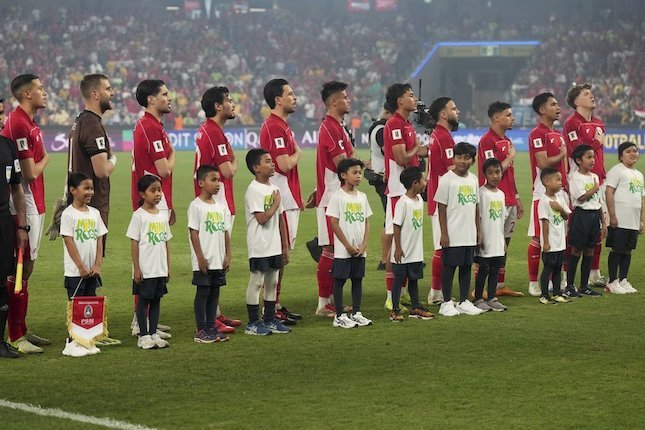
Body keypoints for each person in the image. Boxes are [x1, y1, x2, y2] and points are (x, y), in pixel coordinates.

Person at [1, 74, 50, 353]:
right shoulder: (19, 123)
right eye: (40, 88)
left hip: (36, 203)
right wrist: (45, 158)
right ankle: (15, 334)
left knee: (26, 268)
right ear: (27, 94)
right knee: (20, 267)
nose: (44, 92)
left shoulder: (28, 121)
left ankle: (22, 329)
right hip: (25, 204)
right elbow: (30, 173)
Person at [193, 86, 241, 333]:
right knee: (216, 263)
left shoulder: (208, 131)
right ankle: (211, 319)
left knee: (216, 263)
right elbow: (229, 171)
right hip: (216, 206)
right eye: (229, 101)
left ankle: (216, 314)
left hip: (212, 205)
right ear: (218, 106)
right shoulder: (215, 133)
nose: (233, 105)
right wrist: (233, 158)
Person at [130, 79, 175, 338]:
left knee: (154, 257)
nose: (169, 98)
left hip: (157, 200)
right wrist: (174, 154)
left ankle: (148, 320)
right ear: (150, 99)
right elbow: (164, 170)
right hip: (149, 202)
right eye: (164, 94)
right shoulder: (148, 126)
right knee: (145, 261)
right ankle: (140, 322)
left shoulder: (153, 125)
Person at [259, 79, 302, 323]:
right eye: (290, 94)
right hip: (280, 197)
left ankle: (274, 304)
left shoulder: (282, 126)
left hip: (287, 196)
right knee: (279, 255)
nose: (294, 98)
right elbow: (285, 165)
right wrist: (298, 151)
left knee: (281, 256)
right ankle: (269, 307)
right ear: (278, 99)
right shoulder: (274, 127)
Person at [382, 83, 427, 312]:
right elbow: (401, 158)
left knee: (410, 242)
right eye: (411, 95)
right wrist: (417, 148)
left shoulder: (407, 124)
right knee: (396, 243)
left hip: (409, 192)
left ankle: (403, 294)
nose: (415, 99)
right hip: (398, 192)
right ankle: (392, 296)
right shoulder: (394, 125)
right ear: (400, 100)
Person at [314, 81, 355, 317]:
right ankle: (322, 303)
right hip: (331, 197)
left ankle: (330, 299)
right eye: (345, 97)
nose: (348, 100)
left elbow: (349, 158)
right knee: (329, 249)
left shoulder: (338, 126)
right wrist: (354, 164)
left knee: (335, 248)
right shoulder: (329, 127)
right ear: (333, 102)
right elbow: (344, 162)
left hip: (336, 195)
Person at [476, 101, 524, 298]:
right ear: (496, 117)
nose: (512, 118)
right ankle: (479, 287)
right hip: (493, 200)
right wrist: (510, 157)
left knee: (505, 243)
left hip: (509, 199)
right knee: (488, 243)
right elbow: (491, 171)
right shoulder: (487, 141)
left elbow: (509, 174)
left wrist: (517, 197)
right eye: (508, 115)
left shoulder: (508, 140)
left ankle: (499, 285)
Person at [243, 148, 291, 336]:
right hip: (259, 244)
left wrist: (284, 246)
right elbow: (262, 218)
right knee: (256, 282)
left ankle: (270, 319)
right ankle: (253, 322)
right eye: (268, 161)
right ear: (256, 167)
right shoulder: (253, 189)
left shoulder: (274, 189)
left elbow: (279, 220)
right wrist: (275, 204)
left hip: (274, 244)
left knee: (272, 281)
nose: (273, 164)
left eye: (272, 161)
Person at [563, 83, 607, 287]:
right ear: (576, 101)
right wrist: (596, 142)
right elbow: (575, 151)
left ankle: (594, 273)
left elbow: (598, 155)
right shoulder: (572, 123)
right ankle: (566, 276)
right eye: (587, 94)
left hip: (599, 180)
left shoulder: (599, 122)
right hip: (580, 182)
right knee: (575, 233)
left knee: (596, 230)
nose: (592, 96)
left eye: (592, 93)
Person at [60, 173, 107, 357]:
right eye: (85, 188)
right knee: (76, 306)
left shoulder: (95, 213)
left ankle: (87, 341)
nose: (90, 192)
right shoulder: (68, 214)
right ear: (72, 190)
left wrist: (97, 264)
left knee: (90, 303)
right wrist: (80, 266)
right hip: (75, 272)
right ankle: (72, 342)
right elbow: (69, 242)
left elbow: (99, 239)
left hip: (92, 271)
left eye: (91, 188)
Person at [526, 93, 568, 297]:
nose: (558, 107)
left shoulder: (559, 135)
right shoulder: (537, 133)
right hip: (542, 193)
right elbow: (542, 163)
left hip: (560, 192)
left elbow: (564, 166)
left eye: (558, 104)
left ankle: (554, 280)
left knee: (559, 234)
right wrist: (562, 154)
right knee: (538, 238)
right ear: (542, 110)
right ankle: (534, 282)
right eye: (553, 104)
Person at [435, 142, 483, 317]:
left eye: (467, 158)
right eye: (459, 157)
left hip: (469, 232)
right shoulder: (447, 179)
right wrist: (444, 233)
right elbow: (441, 208)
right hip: (453, 233)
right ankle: (446, 302)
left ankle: (463, 301)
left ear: (473, 160)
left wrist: (478, 231)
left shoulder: (473, 179)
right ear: (453, 158)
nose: (462, 161)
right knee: (449, 267)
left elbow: (476, 206)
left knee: (466, 267)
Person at [326, 158, 373, 328]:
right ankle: (339, 315)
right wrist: (347, 246)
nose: (359, 176)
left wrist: (364, 245)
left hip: (360, 249)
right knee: (339, 280)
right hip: (344, 250)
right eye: (354, 172)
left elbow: (367, 221)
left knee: (357, 279)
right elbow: (334, 223)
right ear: (343, 175)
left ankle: (357, 312)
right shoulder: (338, 197)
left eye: (360, 172)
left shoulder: (362, 197)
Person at [68, 74, 117, 237]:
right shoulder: (92, 125)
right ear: (95, 94)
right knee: (90, 261)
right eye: (108, 89)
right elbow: (102, 170)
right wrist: (113, 160)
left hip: (78, 205)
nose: (113, 93)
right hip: (90, 207)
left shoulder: (79, 121)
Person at [126, 175, 172, 349]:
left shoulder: (161, 215)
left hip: (159, 268)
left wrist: (167, 266)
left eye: (159, 190)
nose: (158, 194)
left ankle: (153, 333)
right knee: (143, 301)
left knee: (156, 301)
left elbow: (167, 242)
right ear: (142, 194)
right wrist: (137, 268)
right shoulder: (139, 216)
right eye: (153, 190)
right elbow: (134, 243)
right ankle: (143, 335)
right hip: (146, 269)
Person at [188, 165, 232, 343]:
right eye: (213, 180)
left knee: (214, 293)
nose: (218, 184)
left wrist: (228, 254)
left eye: (219, 180)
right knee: (203, 292)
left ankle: (212, 328)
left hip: (218, 259)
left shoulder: (221, 206)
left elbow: (225, 231)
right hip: (204, 260)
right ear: (201, 183)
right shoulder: (196, 206)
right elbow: (194, 232)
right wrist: (200, 258)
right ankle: (201, 329)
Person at [0, 97, 29, 358]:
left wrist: (22, 226)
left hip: (3, 223)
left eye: (2, 113)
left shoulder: (8, 147)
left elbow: (17, 189)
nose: (2, 120)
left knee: (1, 282)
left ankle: (1, 342)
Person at [426, 96, 460, 305]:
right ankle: (436, 293)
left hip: (437, 198)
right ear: (443, 114)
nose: (458, 111)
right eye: (454, 108)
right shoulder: (444, 137)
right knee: (443, 247)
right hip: (443, 201)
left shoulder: (437, 135)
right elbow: (452, 170)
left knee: (443, 246)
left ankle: (437, 292)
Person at [390, 166, 434, 322]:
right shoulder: (403, 203)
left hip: (416, 250)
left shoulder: (419, 200)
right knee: (399, 280)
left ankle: (415, 307)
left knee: (414, 279)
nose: (425, 181)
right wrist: (398, 247)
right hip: (403, 251)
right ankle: (395, 310)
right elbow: (396, 225)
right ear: (415, 183)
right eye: (423, 179)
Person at [565, 144, 605, 297]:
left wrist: (603, 221)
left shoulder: (594, 176)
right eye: (589, 157)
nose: (592, 160)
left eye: (593, 157)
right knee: (576, 250)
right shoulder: (575, 177)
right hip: (581, 216)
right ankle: (569, 286)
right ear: (579, 160)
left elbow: (598, 201)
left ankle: (584, 286)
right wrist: (594, 189)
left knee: (590, 250)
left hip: (594, 216)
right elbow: (580, 198)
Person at [604, 141, 643, 294]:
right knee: (617, 248)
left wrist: (641, 220)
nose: (633, 153)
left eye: (635, 151)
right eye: (628, 151)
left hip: (633, 220)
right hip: (620, 218)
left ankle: (623, 279)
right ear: (621, 156)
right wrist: (612, 216)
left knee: (628, 250)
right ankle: (612, 280)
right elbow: (609, 192)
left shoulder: (639, 174)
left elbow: (642, 199)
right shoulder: (617, 171)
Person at [473, 158, 509, 312]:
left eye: (497, 172)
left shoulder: (501, 194)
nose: (495, 176)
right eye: (491, 173)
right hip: (485, 239)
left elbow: (501, 219)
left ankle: (492, 297)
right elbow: (477, 216)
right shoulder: (481, 193)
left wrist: (503, 239)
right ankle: (479, 298)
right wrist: (479, 235)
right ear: (484, 175)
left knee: (495, 268)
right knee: (484, 269)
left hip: (497, 239)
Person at [537, 168, 571, 304]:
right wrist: (545, 242)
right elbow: (544, 223)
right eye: (557, 180)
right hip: (550, 242)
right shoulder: (544, 201)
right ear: (546, 182)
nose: (560, 183)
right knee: (548, 268)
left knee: (558, 268)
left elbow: (566, 215)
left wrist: (560, 208)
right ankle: (544, 295)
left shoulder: (559, 198)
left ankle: (557, 293)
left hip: (560, 242)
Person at [367, 105, 392, 271]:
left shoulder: (377, 127)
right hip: (383, 177)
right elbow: (388, 152)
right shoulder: (383, 129)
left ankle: (388, 258)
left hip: (380, 176)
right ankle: (384, 259)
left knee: (390, 217)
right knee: (389, 218)